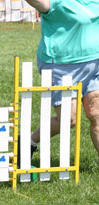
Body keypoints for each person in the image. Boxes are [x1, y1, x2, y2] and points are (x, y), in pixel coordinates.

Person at [24, 0, 99, 156]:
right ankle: (29, 142)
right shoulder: (57, 2)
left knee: (96, 115)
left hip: (94, 64)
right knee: (68, 120)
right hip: (62, 66)